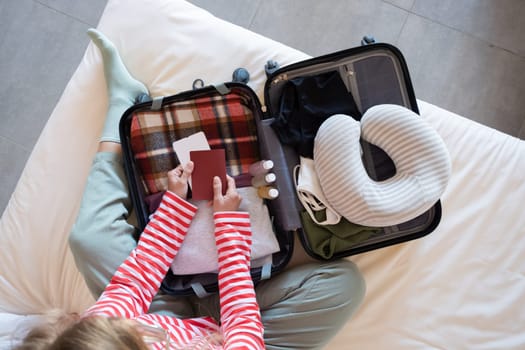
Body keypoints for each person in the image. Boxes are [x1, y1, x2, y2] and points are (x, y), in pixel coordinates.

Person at [17, 29, 366, 349]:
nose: (83, 316)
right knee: (344, 287)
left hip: (169, 313)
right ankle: (210, 303)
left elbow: (138, 277)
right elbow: (242, 322)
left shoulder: (101, 326)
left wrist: (173, 205)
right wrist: (228, 226)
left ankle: (121, 108)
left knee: (89, 240)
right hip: (229, 334)